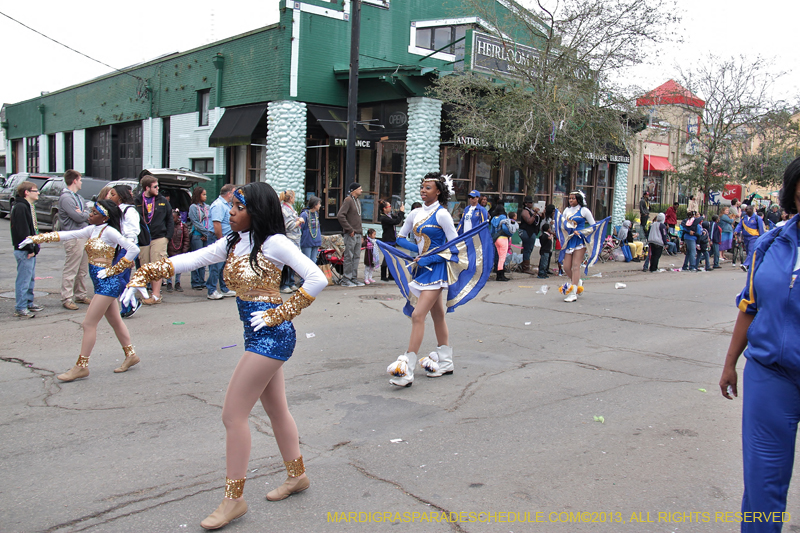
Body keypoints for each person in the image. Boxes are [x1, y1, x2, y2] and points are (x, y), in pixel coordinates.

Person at [120, 182, 326, 530]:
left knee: (233, 415)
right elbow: (194, 258)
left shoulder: (274, 243)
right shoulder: (234, 242)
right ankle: (297, 476)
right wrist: (145, 272)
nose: (231, 212)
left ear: (256, 211)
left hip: (272, 336)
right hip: (255, 335)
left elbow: (317, 278)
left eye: (239, 208)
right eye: (232, 206)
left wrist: (280, 314)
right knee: (277, 409)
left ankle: (234, 500)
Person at [719, 157, 800, 532]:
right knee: (762, 486)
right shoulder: (770, 244)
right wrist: (730, 363)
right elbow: (749, 307)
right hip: (771, 376)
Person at [378, 173, 492, 387]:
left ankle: (407, 368)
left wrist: (429, 257)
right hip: (421, 268)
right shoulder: (415, 213)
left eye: (428, 187)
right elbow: (400, 238)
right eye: (422, 187)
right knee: (438, 315)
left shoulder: (442, 215)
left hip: (437, 270)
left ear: (438, 191)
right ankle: (446, 361)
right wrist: (418, 252)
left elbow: (454, 247)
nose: (423, 190)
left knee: (417, 315)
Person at [20, 200, 140, 380]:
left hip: (108, 284)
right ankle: (131, 355)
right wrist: (37, 238)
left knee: (88, 324)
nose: (90, 214)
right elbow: (68, 234)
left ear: (105, 217)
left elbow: (133, 249)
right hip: (100, 283)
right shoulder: (92, 230)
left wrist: (114, 270)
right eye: (91, 211)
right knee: (115, 321)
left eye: (94, 213)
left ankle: (81, 366)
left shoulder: (109, 231)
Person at [553, 191, 609, 302]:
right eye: (569, 198)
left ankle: (573, 292)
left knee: (575, 266)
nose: (571, 200)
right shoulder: (566, 210)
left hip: (580, 241)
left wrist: (582, 232)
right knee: (566, 267)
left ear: (578, 199)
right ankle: (578, 282)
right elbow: (563, 225)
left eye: (573, 198)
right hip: (570, 240)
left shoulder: (584, 210)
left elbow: (593, 226)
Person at [136, 174, 174, 304]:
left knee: (157, 265)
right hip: (144, 238)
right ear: (147, 188)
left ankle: (156, 295)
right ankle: (147, 294)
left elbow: (170, 219)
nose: (158, 189)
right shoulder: (137, 201)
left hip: (159, 237)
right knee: (145, 266)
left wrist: (167, 237)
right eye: (155, 187)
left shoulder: (162, 200)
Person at [58, 170, 92, 311]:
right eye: (80, 180)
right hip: (73, 237)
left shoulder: (78, 197)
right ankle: (66, 297)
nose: (81, 182)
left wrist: (84, 213)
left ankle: (80, 294)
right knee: (71, 268)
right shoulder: (66, 198)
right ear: (74, 181)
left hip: (83, 235)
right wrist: (84, 214)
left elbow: (88, 213)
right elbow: (77, 217)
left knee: (82, 269)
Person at [108, 184, 142, 318]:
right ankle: (126, 306)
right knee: (124, 277)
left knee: (117, 276)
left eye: (113, 195)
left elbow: (133, 231)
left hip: (127, 247)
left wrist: (129, 249)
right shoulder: (117, 209)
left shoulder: (129, 211)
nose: (110, 197)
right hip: (120, 247)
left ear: (121, 196)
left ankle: (132, 301)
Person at [10, 181, 43, 318]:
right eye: (35, 190)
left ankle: (29, 302)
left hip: (30, 249)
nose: (38, 193)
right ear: (26, 192)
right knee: (23, 279)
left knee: (30, 278)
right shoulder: (20, 207)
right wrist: (29, 248)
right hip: (24, 250)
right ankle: (21, 307)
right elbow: (22, 230)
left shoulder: (28, 206)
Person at [208, 184, 237, 299]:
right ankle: (211, 290)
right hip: (217, 237)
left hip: (226, 238)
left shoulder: (227, 205)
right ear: (229, 194)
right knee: (216, 265)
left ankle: (224, 288)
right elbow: (216, 224)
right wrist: (220, 240)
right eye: (234, 193)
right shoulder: (218, 205)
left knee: (224, 265)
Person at [336, 183, 364, 287]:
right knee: (349, 257)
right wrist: (349, 229)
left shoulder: (357, 201)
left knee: (356, 257)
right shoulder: (348, 200)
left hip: (358, 233)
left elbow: (358, 219)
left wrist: (361, 234)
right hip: (351, 234)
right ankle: (346, 279)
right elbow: (340, 215)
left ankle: (354, 278)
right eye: (359, 189)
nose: (361, 190)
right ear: (354, 190)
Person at [279, 190, 304, 294]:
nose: (294, 199)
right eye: (293, 197)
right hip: (290, 238)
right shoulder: (285, 209)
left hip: (295, 238)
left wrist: (297, 218)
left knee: (293, 261)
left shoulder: (290, 208)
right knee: (287, 262)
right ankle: (284, 284)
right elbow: (289, 225)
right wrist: (299, 221)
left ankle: (291, 282)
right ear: (290, 198)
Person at [189, 187, 213, 291]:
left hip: (206, 235)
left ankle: (202, 280)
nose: (205, 196)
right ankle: (195, 281)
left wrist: (207, 234)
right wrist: (205, 232)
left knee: (204, 259)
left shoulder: (207, 207)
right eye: (203, 194)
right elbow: (195, 222)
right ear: (198, 195)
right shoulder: (193, 207)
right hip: (197, 235)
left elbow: (210, 220)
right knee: (196, 259)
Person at [378, 199, 405, 281]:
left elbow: (396, 218)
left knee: (393, 257)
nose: (390, 207)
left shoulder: (389, 215)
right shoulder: (384, 218)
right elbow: (396, 221)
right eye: (389, 206)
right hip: (387, 240)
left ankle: (391, 274)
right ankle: (383, 275)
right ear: (384, 208)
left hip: (392, 239)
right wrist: (401, 212)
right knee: (387, 257)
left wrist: (399, 212)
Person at [734, 205, 766, 272]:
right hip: (745, 237)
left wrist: (762, 237)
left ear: (751, 210)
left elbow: (760, 228)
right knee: (748, 251)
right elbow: (740, 225)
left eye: (748, 210)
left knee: (751, 251)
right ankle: (750, 265)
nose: (746, 211)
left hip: (754, 237)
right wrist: (736, 231)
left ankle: (745, 264)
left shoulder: (757, 218)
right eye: (746, 210)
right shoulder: (744, 218)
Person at [490, 205, 516, 282]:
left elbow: (492, 231)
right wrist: (510, 234)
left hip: (496, 239)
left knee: (498, 257)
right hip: (503, 238)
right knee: (502, 258)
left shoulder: (493, 218)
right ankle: (501, 275)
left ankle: (498, 274)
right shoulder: (503, 217)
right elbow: (504, 228)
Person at [167, 209, 191, 291]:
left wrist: (184, 250)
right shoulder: (167, 226)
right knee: (169, 267)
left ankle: (177, 283)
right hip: (169, 249)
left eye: (173, 217)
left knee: (179, 267)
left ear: (178, 217)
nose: (172, 219)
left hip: (179, 250)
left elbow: (186, 239)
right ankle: (169, 283)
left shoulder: (182, 226)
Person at [517, 196, 540, 272]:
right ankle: (525, 267)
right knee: (527, 249)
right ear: (525, 203)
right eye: (529, 202)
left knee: (529, 249)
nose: (531, 204)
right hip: (526, 232)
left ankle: (522, 265)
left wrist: (541, 212)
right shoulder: (525, 211)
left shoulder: (531, 211)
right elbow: (529, 221)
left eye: (531, 202)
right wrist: (535, 214)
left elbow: (540, 218)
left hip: (532, 232)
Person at [299, 196, 322, 265]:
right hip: (307, 242)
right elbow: (301, 228)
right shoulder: (304, 215)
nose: (320, 205)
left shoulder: (316, 214)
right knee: (306, 262)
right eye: (319, 204)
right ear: (315, 205)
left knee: (314, 261)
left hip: (316, 241)